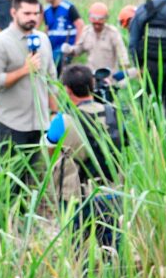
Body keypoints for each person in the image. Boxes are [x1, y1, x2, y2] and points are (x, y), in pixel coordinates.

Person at [0, 0, 58, 198]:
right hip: (13, 124)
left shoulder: (43, 39)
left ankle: (34, 214)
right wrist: (24, 70)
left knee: (38, 180)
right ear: (13, 12)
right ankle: (12, 216)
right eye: (27, 13)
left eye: (36, 14)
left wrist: (54, 113)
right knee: (12, 183)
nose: (32, 18)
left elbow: (51, 80)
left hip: (41, 124)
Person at [44, 64, 124, 254]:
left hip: (76, 196)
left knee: (77, 249)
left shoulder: (63, 121)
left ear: (67, 90)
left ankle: (83, 272)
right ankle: (116, 271)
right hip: (111, 190)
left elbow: (49, 150)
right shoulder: (113, 113)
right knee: (112, 247)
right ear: (92, 85)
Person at [63, 2, 131, 75]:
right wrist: (70, 49)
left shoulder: (113, 33)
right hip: (92, 74)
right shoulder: (86, 32)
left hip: (109, 75)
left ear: (105, 19)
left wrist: (125, 69)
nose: (97, 26)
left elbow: (121, 51)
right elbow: (78, 50)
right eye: (95, 23)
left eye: (100, 23)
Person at [42, 0, 84, 71]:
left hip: (65, 49)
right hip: (52, 47)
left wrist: (76, 46)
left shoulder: (68, 7)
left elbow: (80, 25)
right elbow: (47, 28)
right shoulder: (46, 10)